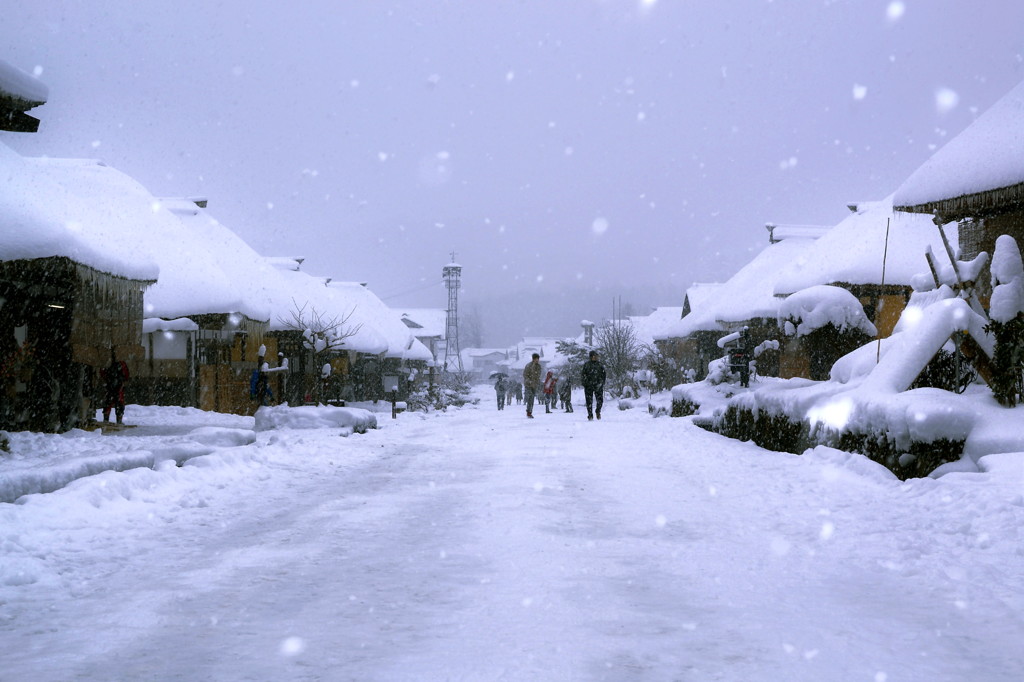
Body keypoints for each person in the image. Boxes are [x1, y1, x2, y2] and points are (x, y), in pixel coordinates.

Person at [100, 349, 130, 424]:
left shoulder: (108, 363)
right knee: (117, 402)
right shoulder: (121, 363)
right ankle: (116, 420)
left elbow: (102, 373)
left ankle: (107, 420)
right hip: (115, 385)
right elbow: (126, 375)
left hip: (112, 385)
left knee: (110, 402)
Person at [581, 350, 606, 421]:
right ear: (591, 357)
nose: (596, 357)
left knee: (600, 401)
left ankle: (598, 411)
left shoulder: (600, 365)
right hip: (588, 386)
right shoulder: (587, 365)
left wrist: (601, 383)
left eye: (597, 356)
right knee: (589, 401)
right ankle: (590, 414)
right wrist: (585, 383)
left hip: (598, 386)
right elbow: (583, 375)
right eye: (594, 356)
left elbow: (603, 375)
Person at [522, 353, 542, 418]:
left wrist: (537, 382)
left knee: (532, 398)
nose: (537, 360)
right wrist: (529, 381)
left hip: (535, 385)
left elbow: (538, 375)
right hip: (528, 385)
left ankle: (530, 411)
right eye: (536, 359)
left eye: (538, 359)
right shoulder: (528, 366)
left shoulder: (538, 366)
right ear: (533, 359)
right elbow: (525, 375)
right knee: (530, 398)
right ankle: (528, 412)